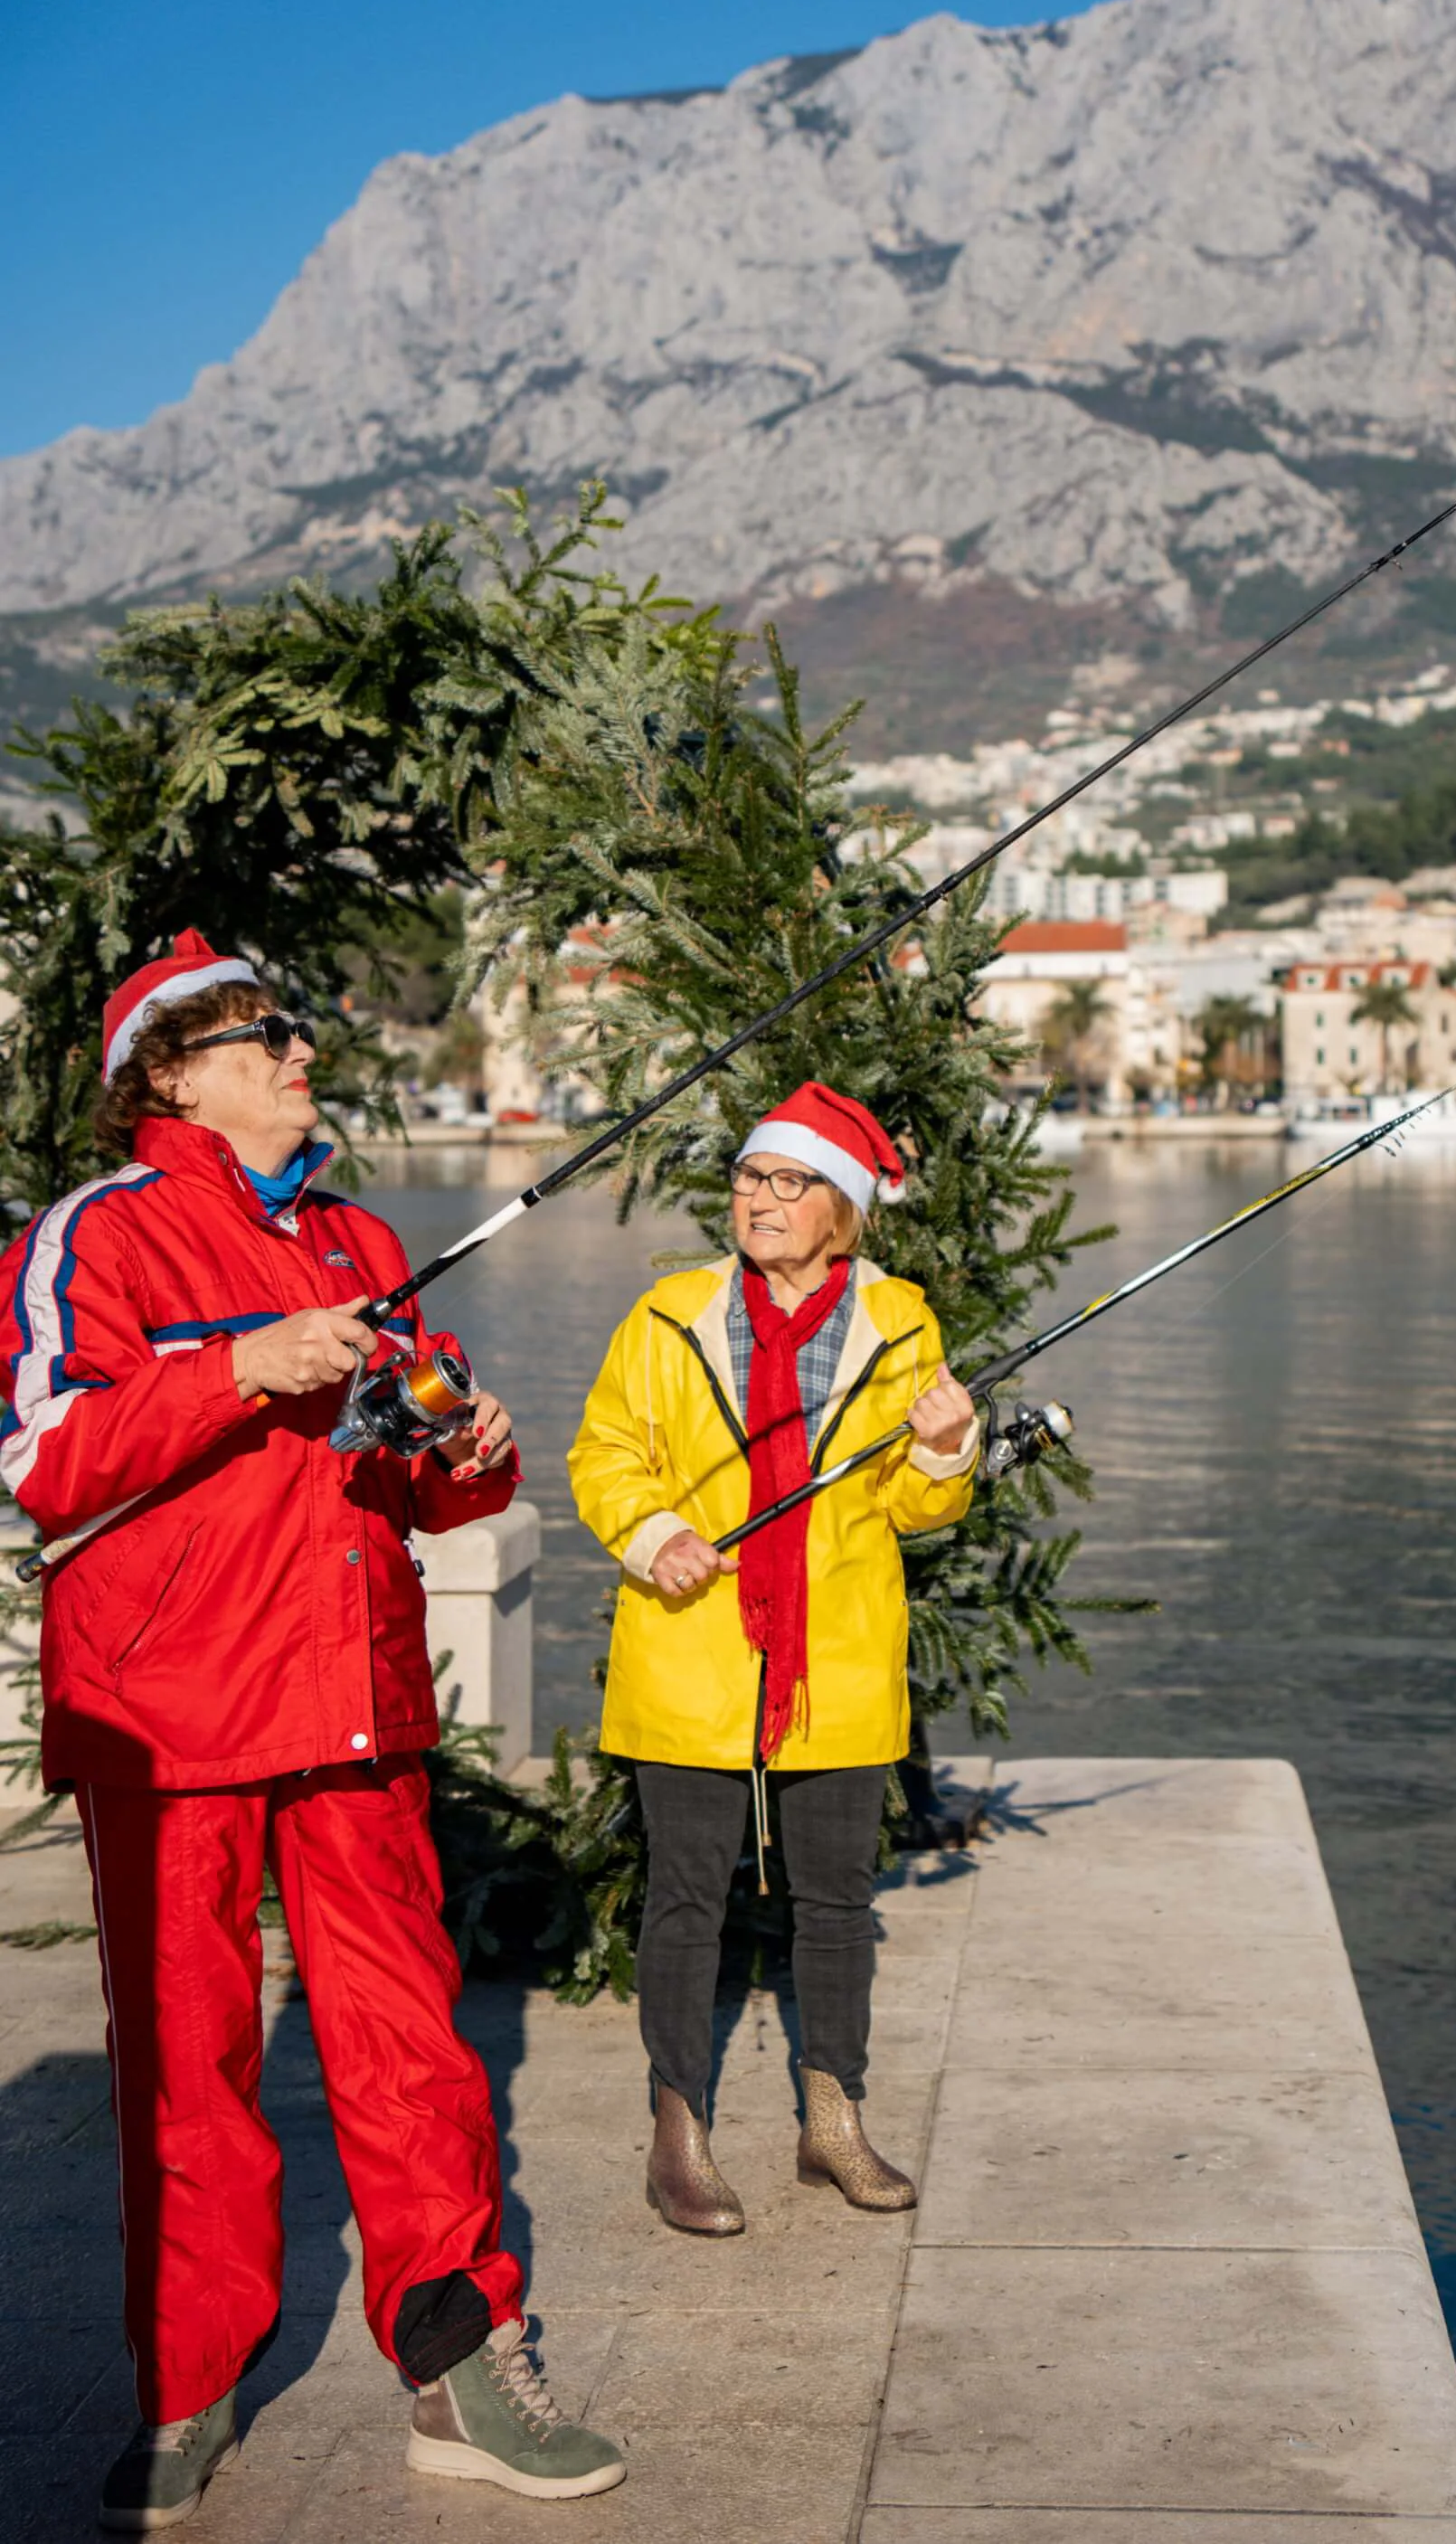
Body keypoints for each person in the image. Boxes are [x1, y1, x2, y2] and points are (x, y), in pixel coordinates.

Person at [0, 932, 625, 2530]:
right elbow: (47, 1455)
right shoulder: (97, 1233)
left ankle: (461, 2359)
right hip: (168, 1712)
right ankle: (191, 2384)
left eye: (296, 1026)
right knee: (187, 2068)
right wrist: (244, 1362)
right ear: (172, 1073)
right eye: (265, 1033)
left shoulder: (359, 1233)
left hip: (351, 1705)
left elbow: (418, 1469)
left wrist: (466, 1442)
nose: (302, 1049)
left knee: (415, 2050)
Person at [568, 1081, 977, 2235]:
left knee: (838, 1900)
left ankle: (832, 2121)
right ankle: (678, 2133)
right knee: (686, 1899)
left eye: (787, 1181)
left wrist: (945, 1452)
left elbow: (908, 1503)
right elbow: (604, 1451)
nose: (759, 1198)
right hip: (688, 1641)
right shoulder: (668, 1313)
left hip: (835, 1651)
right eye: (750, 1177)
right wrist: (657, 1537)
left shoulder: (901, 1321)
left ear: (839, 1206)